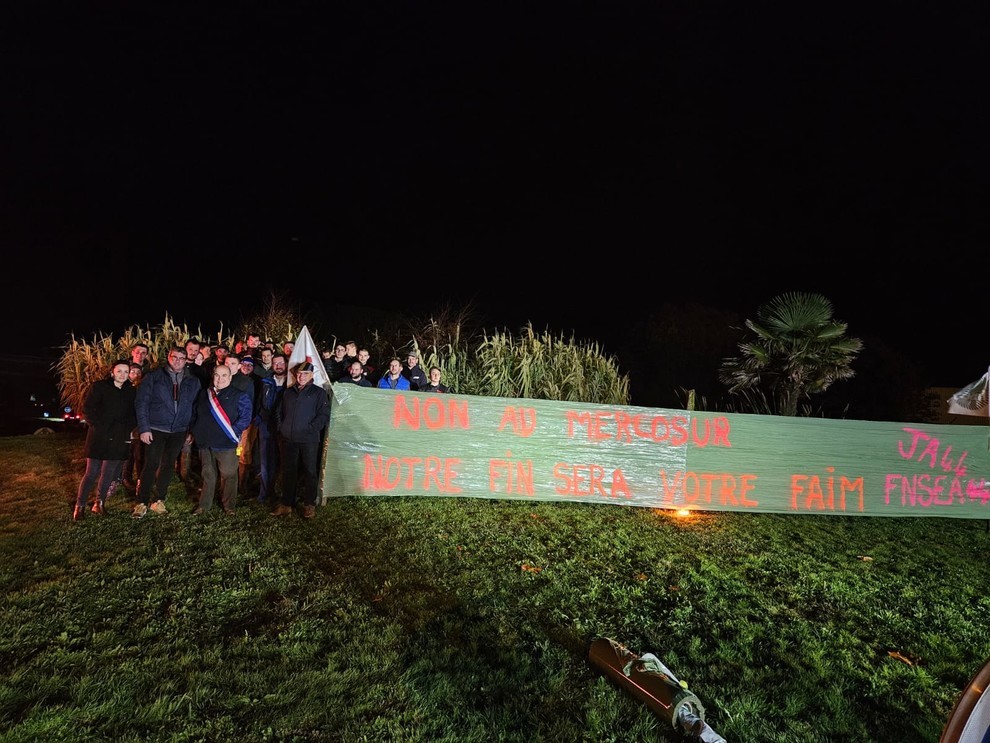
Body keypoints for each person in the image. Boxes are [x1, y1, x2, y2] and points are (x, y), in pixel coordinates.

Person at [133, 346, 200, 519]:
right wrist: (144, 428)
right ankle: (141, 502)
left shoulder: (193, 381)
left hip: (179, 430)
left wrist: (190, 429)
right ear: (168, 357)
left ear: (186, 361)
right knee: (151, 464)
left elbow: (194, 407)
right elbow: (142, 403)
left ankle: (159, 500)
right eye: (174, 357)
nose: (177, 361)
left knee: (168, 465)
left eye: (181, 358)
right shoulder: (154, 377)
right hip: (156, 428)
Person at [73, 360, 137, 520]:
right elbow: (87, 409)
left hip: (119, 436)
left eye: (125, 371)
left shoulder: (131, 391)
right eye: (119, 371)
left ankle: (99, 503)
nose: (122, 374)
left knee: (108, 473)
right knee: (91, 472)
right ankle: (79, 506)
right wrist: (97, 426)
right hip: (99, 435)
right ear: (112, 372)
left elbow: (133, 414)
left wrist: (127, 429)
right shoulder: (99, 387)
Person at [188, 364, 252, 515]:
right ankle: (204, 505)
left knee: (229, 475)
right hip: (205, 442)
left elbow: (245, 418)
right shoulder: (204, 393)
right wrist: (195, 430)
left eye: (224, 375)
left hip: (226, 444)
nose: (220, 379)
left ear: (230, 377)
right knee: (207, 474)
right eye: (217, 375)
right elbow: (195, 413)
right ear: (213, 376)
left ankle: (229, 506)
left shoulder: (239, 395)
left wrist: (232, 432)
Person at [272, 362, 330, 519]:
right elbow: (279, 412)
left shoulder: (318, 393)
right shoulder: (288, 392)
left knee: (310, 471)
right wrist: (281, 428)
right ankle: (286, 504)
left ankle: (309, 504)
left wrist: (311, 428)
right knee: (289, 471)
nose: (301, 376)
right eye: (299, 373)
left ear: (311, 376)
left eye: (305, 374)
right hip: (288, 438)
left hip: (308, 439)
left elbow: (324, 415)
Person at [257, 352, 288, 504]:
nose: (278, 366)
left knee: (283, 461)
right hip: (266, 426)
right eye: (275, 363)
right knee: (265, 462)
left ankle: (281, 493)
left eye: (281, 363)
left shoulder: (291, 383)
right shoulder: (266, 382)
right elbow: (259, 402)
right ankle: (264, 493)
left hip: (284, 427)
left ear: (286, 364)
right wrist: (259, 420)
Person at [122, 362, 145, 490]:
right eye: (133, 372)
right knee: (128, 455)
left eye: (138, 372)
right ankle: (126, 478)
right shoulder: (124, 387)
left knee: (139, 454)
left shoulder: (142, 387)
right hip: (127, 426)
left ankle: (141, 480)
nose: (135, 374)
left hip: (139, 426)